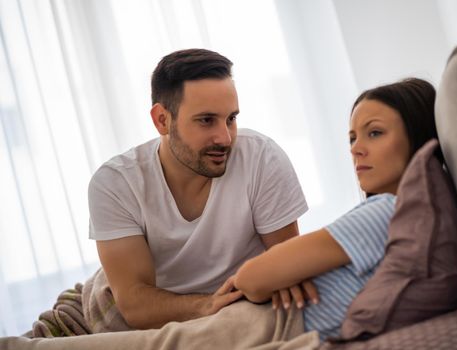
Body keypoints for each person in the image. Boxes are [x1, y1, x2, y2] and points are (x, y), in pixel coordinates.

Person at [88, 48, 309, 329]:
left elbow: (287, 265)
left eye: (231, 118)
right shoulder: (115, 183)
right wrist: (208, 304)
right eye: (206, 120)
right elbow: (134, 304)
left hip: (247, 301)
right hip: (164, 312)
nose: (225, 138)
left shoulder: (261, 157)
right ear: (162, 120)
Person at [234, 78, 439, 341]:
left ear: (418, 135)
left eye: (374, 133)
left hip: (265, 325)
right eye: (352, 138)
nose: (356, 149)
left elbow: (250, 278)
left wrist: (275, 276)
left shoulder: (389, 210)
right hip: (254, 324)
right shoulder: (407, 214)